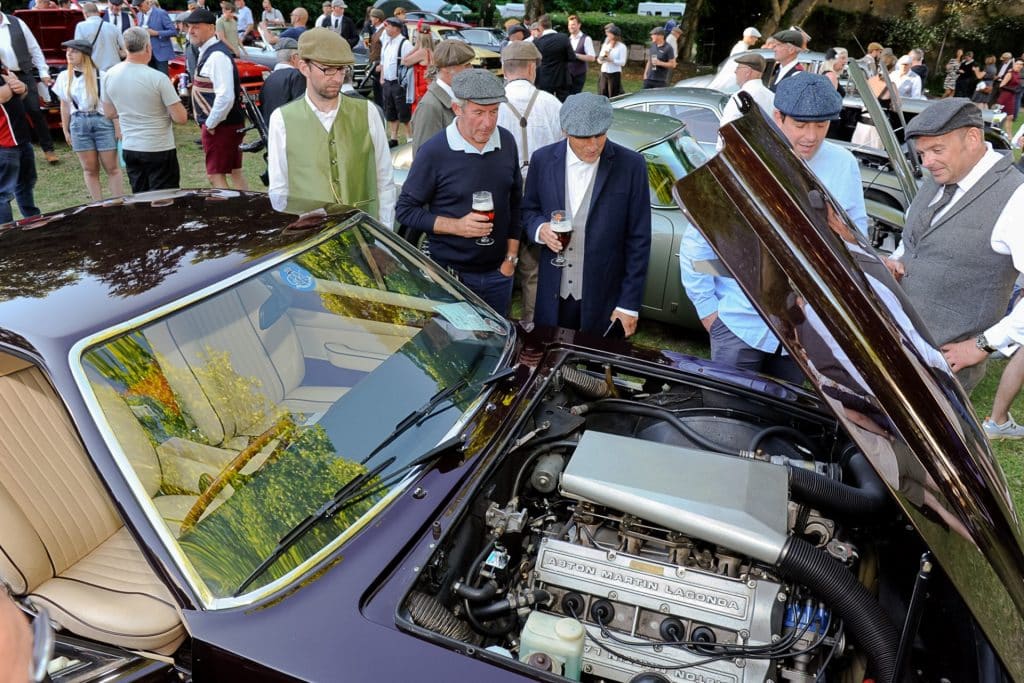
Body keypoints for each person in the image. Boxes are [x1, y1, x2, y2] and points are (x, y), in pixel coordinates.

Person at [682, 74, 866, 383]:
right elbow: (697, 245)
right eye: (801, 125)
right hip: (738, 323)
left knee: (784, 420)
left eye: (821, 126)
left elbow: (854, 236)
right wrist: (708, 311)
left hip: (806, 331)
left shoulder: (844, 164)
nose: (812, 136)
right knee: (727, 416)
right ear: (778, 117)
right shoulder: (739, 163)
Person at [882, 99, 1024, 393]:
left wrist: (985, 344)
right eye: (922, 153)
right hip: (892, 347)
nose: (927, 162)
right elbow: (915, 243)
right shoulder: (940, 175)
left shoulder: (1016, 197)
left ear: (972, 138)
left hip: (942, 373)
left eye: (937, 150)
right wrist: (898, 262)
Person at [521, 92, 650, 337]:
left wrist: (629, 305)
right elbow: (528, 211)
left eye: (599, 135)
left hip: (604, 301)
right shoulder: (543, 159)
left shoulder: (632, 166)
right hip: (552, 297)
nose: (593, 146)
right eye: (583, 138)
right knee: (551, 366)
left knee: (594, 372)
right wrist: (540, 229)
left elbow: (639, 241)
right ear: (565, 132)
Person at [396, 69, 522, 316]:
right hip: (450, 278)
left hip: (499, 276)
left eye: (494, 112)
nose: (488, 122)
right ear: (457, 109)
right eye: (478, 113)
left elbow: (516, 203)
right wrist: (457, 226)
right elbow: (405, 211)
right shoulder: (435, 152)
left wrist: (510, 260)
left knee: (497, 344)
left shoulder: (506, 141)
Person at [268, 29, 395, 223]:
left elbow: (384, 180)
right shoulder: (281, 119)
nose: (337, 78)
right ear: (303, 67)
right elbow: (279, 192)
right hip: (312, 241)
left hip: (364, 233)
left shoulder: (368, 112)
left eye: (342, 69)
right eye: (327, 69)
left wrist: (383, 235)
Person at [497, 40, 562, 326]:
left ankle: (497, 325)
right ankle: (533, 328)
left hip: (502, 196)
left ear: (504, 69)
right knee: (533, 269)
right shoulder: (552, 104)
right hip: (541, 197)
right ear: (533, 68)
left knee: (498, 262)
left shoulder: (492, 106)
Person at [102, 27, 186, 192]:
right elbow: (181, 118)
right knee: (164, 199)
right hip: (158, 146)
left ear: (125, 48)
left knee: (140, 197)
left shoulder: (109, 75)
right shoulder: (158, 78)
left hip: (131, 146)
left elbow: (109, 113)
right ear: (148, 47)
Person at [184, 7, 248, 190]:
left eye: (196, 26)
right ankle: (245, 211)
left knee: (215, 175)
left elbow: (226, 96)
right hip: (227, 123)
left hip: (221, 126)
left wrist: (210, 124)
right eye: (189, 26)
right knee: (235, 172)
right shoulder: (209, 51)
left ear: (211, 28)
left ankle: (229, 214)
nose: (191, 31)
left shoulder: (217, 55)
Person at [54, 39, 123, 201]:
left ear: (85, 55)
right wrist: (65, 129)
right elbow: (64, 105)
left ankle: (118, 202)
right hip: (78, 123)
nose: (69, 54)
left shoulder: (102, 76)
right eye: (67, 51)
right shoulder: (64, 76)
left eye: (74, 51)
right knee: (89, 169)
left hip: (102, 121)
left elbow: (112, 105)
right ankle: (97, 205)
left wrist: (118, 128)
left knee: (112, 167)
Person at [0, 8, 59, 164]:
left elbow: (34, 49)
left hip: (24, 73)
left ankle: (49, 150)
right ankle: (17, 150)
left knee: (34, 110)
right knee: (11, 114)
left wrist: (44, 72)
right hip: (2, 77)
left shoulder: (17, 22)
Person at [409, 38, 473, 154]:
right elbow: (424, 157)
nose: (471, 68)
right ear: (446, 68)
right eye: (466, 65)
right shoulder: (430, 106)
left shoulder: (458, 96)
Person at [0, 68, 39, 223]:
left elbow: (20, 93)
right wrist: (13, 83)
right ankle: (7, 232)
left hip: (22, 140)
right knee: (3, 193)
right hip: (5, 144)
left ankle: (32, 221)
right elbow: (3, 95)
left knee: (26, 184)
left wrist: (23, 87)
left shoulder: (4, 70)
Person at [378, 16, 413, 144]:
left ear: (396, 28)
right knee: (390, 110)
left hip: (399, 83)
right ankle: (393, 138)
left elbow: (409, 65)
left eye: (388, 26)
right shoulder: (387, 43)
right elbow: (383, 62)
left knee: (404, 112)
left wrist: (404, 83)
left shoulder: (405, 44)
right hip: (387, 82)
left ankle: (410, 138)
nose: (386, 29)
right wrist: (382, 77)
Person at [719, 52, 773, 128]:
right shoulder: (771, 96)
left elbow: (727, 129)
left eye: (738, 68)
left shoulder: (740, 97)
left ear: (748, 72)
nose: (735, 71)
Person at [259, 35, 303, 121]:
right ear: (294, 57)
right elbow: (302, 108)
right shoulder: (297, 76)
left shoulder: (268, 79)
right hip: (291, 130)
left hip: (272, 130)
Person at [533, 14, 575, 101]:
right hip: (562, 76)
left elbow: (535, 61)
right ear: (550, 24)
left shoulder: (537, 42)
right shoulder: (563, 38)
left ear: (540, 27)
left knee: (546, 105)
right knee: (563, 104)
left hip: (545, 78)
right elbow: (572, 57)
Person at [75, 2, 126, 71]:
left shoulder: (81, 26)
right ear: (98, 13)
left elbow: (78, 50)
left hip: (94, 70)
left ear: (85, 14)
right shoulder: (113, 27)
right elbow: (125, 51)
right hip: (114, 70)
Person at [133, 0, 176, 74]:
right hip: (146, 53)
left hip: (160, 53)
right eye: (137, 7)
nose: (139, 9)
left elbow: (173, 31)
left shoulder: (161, 13)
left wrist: (156, 33)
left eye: (140, 6)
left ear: (147, 2)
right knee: (150, 79)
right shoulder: (139, 15)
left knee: (162, 78)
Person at [402, 22, 432, 116]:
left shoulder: (422, 52)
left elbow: (404, 61)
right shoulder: (431, 51)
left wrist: (415, 47)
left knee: (418, 115)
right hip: (428, 85)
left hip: (421, 88)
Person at [565, 14, 594, 95]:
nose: (571, 27)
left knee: (574, 98)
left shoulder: (586, 39)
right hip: (567, 74)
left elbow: (592, 58)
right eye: (569, 24)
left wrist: (576, 55)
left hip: (578, 75)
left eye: (573, 24)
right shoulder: (568, 39)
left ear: (579, 25)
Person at [596, 25, 625, 98]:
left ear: (614, 35)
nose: (607, 35)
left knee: (613, 95)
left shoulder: (621, 47)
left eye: (609, 34)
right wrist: (602, 59)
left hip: (614, 73)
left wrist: (612, 60)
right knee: (602, 93)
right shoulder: (606, 45)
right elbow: (599, 60)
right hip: (604, 72)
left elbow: (622, 62)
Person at [997, 59, 1022, 133]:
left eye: (1021, 64)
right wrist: (1012, 90)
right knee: (1000, 116)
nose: (1019, 66)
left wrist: (1017, 89)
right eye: (1018, 64)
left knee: (1010, 117)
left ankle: (1009, 136)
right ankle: (997, 131)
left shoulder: (1018, 74)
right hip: (1005, 97)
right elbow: (1001, 85)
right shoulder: (1010, 73)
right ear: (1014, 64)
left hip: (1012, 97)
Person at [366, 8, 386, 103]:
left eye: (372, 17)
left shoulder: (384, 32)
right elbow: (368, 44)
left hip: (379, 67)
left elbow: (386, 51)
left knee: (381, 96)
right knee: (377, 94)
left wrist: (381, 65)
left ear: (377, 19)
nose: (370, 19)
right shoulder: (376, 30)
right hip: (375, 66)